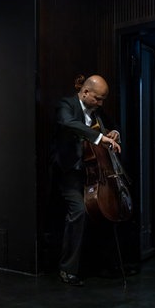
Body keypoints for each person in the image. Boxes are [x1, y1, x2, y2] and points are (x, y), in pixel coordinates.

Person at [52, 74, 121, 286]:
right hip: (70, 173)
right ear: (85, 92)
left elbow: (103, 130)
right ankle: (67, 269)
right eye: (98, 99)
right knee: (79, 212)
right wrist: (100, 137)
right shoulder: (66, 105)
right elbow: (68, 123)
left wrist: (112, 133)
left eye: (102, 100)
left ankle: (105, 264)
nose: (100, 104)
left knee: (105, 211)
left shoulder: (96, 110)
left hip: (94, 173)